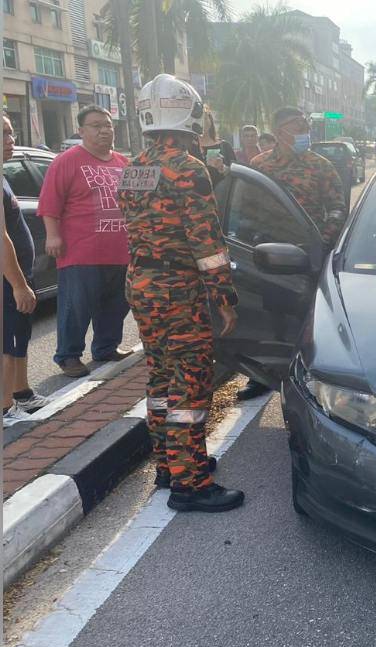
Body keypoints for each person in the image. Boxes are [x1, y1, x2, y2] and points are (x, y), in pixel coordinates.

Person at [118, 74, 243, 512]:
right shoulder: (188, 169)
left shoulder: (133, 168)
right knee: (190, 385)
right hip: (178, 289)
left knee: (159, 378)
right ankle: (192, 484)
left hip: (142, 285)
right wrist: (224, 297)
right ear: (189, 116)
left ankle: (169, 465)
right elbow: (207, 245)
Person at [244, 106, 346, 401]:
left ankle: (308, 376)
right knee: (268, 318)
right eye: (296, 126)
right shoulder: (260, 165)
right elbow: (247, 210)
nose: (304, 131)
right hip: (269, 256)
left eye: (305, 125)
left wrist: (322, 241)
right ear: (278, 133)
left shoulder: (321, 166)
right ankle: (262, 374)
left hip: (308, 256)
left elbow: (337, 207)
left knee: (307, 319)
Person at [37, 105, 131, 378]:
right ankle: (68, 355)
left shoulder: (123, 163)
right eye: (96, 125)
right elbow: (49, 202)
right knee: (76, 306)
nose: (104, 130)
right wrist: (53, 235)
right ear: (81, 131)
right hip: (81, 250)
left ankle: (106, 346)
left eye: (108, 125)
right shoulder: (67, 161)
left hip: (121, 250)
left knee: (117, 304)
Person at [2, 114, 49, 425]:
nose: (11, 140)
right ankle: (5, 408)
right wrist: (18, 284)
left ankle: (21, 393)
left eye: (11, 132)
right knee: (7, 341)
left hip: (18, 274)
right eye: (3, 134)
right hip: (8, 278)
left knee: (19, 335)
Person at [191, 108, 236, 186]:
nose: (203, 122)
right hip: (196, 194)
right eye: (199, 119)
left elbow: (236, 173)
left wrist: (222, 168)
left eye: (205, 118)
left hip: (221, 194)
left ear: (210, 120)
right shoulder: (188, 148)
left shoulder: (225, 146)